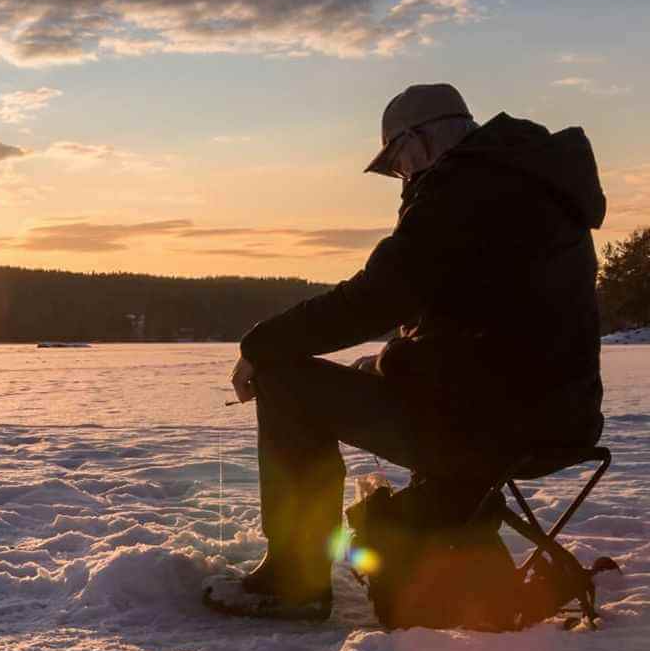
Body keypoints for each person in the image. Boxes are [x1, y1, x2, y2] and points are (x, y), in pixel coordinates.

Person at [229, 83, 606, 620]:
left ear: (420, 139)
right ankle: (437, 554)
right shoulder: (532, 182)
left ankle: (294, 581)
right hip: (556, 419)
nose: (400, 177)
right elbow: (487, 323)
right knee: (378, 388)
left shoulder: (463, 186)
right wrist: (389, 363)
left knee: (285, 381)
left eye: (396, 161)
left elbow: (377, 297)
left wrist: (260, 344)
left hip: (483, 426)